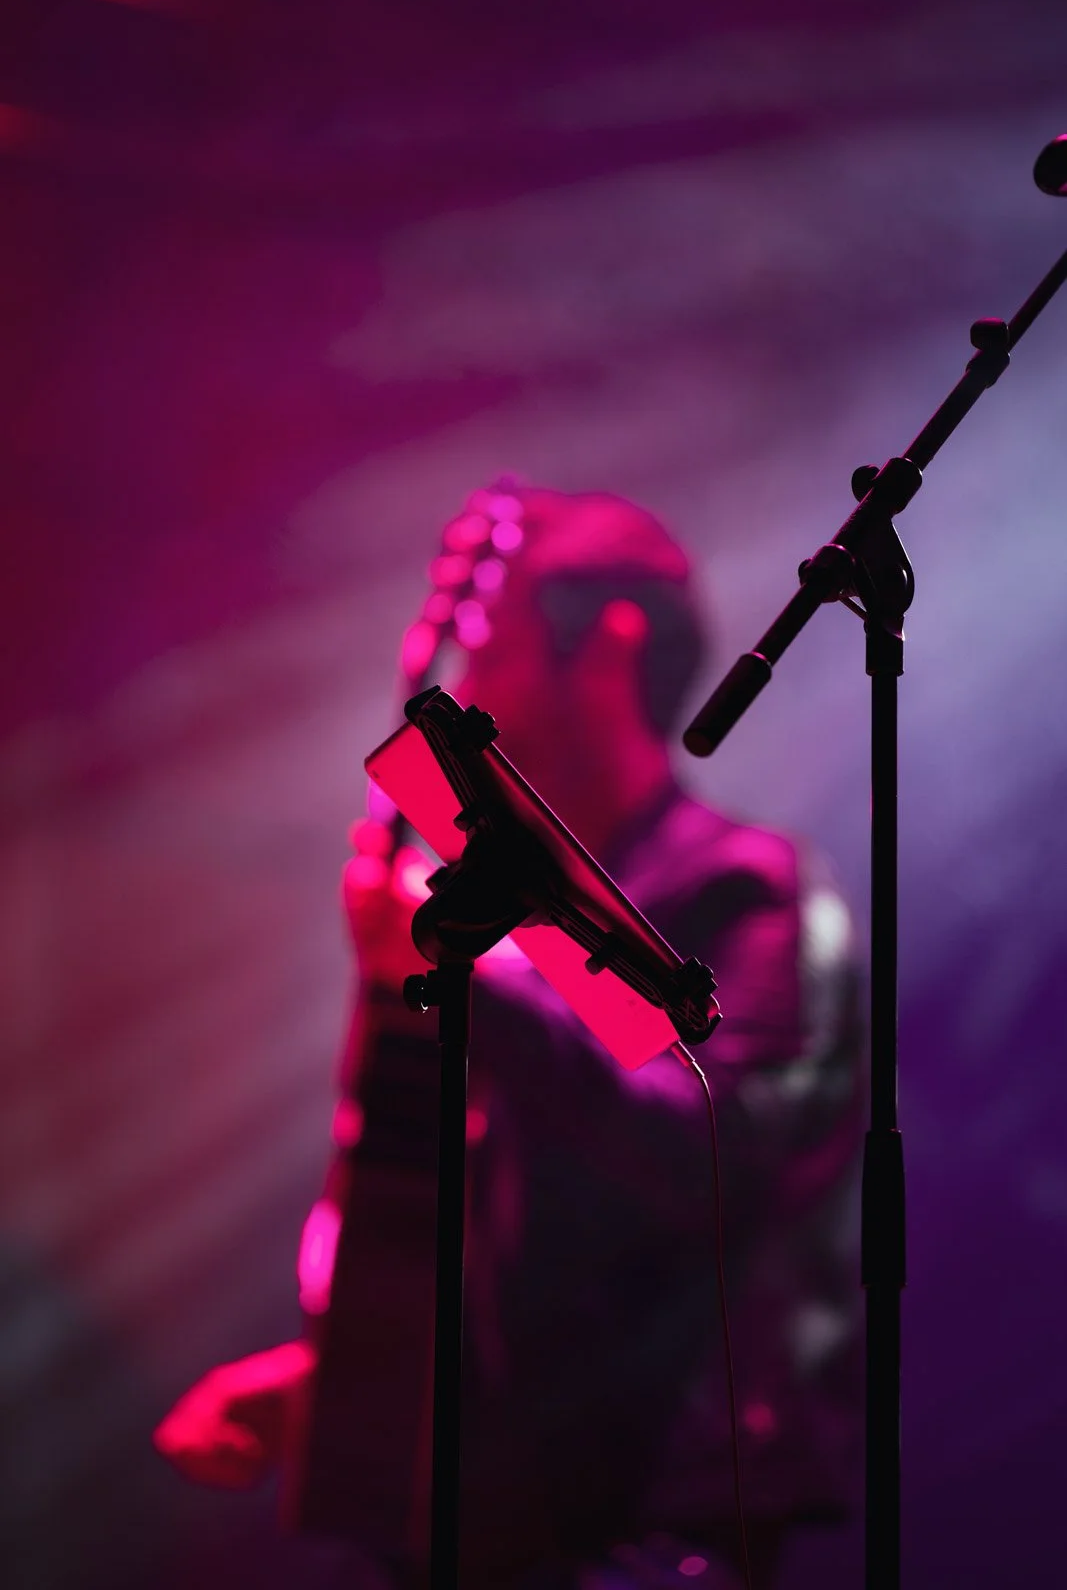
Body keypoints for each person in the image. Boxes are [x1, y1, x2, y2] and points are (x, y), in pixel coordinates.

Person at [155, 487, 865, 1590]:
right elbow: (533, 1248)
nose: (463, 687)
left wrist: (482, 990)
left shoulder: (740, 889)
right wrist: (329, 1378)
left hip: (653, 1528)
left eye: (490, 645)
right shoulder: (515, 917)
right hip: (504, 1515)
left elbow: (719, 1153)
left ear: (610, 643)